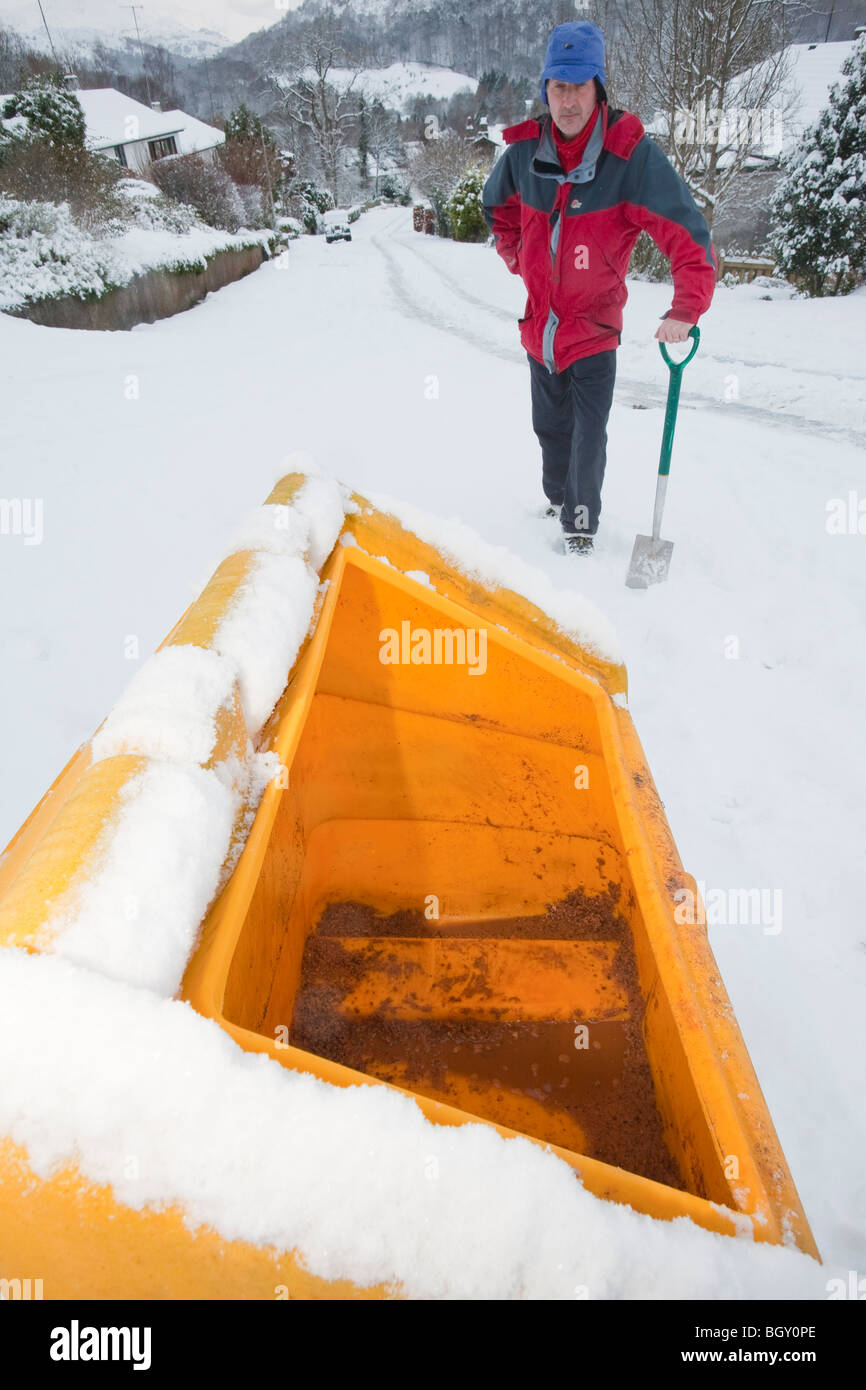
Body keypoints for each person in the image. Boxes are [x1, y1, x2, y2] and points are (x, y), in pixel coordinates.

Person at [482, 20, 717, 554]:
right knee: (550, 431)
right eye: (558, 87)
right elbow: (497, 208)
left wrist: (687, 306)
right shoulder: (523, 152)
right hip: (540, 329)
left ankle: (580, 531)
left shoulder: (628, 155)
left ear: (599, 88)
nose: (568, 101)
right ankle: (556, 504)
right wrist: (518, 255)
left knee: (588, 442)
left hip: (594, 328)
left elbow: (686, 229)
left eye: (579, 86)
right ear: (545, 90)